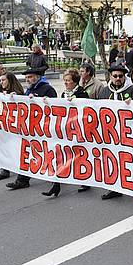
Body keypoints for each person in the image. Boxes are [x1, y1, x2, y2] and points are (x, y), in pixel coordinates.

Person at [98, 64, 133, 200]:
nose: (118, 79)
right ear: (110, 77)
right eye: (115, 76)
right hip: (111, 134)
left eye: (120, 76)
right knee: (112, 160)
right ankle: (115, 187)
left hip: (129, 133)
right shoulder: (104, 92)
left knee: (130, 159)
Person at [5, 69, 57, 190]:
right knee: (26, 153)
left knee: (49, 153)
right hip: (31, 128)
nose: (27, 79)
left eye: (30, 77)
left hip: (44, 128)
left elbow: (56, 106)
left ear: (37, 77)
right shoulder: (29, 89)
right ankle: (22, 180)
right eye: (26, 77)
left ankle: (57, 179)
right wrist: (14, 98)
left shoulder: (47, 89)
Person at [41, 69, 89, 198]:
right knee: (60, 156)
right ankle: (56, 185)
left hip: (79, 130)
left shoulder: (82, 94)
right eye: (65, 81)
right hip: (66, 130)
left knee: (79, 156)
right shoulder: (63, 94)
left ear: (75, 82)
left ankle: (85, 180)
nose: (66, 83)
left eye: (68, 81)